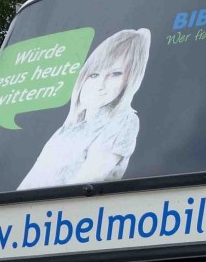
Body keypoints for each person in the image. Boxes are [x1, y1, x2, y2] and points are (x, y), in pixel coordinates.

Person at [18, 28, 152, 191]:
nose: (100, 85)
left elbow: (86, 183)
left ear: (130, 79)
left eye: (115, 74)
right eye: (94, 75)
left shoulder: (123, 120)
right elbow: (29, 184)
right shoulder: (70, 126)